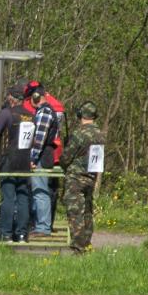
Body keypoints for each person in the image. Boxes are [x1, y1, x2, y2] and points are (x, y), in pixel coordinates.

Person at [0, 83, 33, 242]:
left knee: (8, 198)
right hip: (25, 161)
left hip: (9, 160)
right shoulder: (31, 115)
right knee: (23, 198)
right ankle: (21, 234)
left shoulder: (7, 113)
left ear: (11, 99)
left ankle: (6, 233)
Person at [61, 101, 105, 253]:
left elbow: (66, 157)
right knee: (87, 212)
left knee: (75, 213)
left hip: (76, 178)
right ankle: (86, 243)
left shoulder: (79, 133)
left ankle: (78, 248)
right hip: (91, 177)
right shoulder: (100, 135)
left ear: (81, 114)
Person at [24, 82, 60, 238]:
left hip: (42, 156)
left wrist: (32, 158)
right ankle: (41, 225)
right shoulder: (45, 111)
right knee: (39, 190)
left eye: (29, 98)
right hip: (43, 155)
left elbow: (39, 139)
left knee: (40, 191)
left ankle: (43, 227)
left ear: (35, 96)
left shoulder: (44, 112)